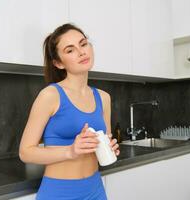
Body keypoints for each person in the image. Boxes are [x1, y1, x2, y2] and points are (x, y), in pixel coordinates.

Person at [19, 23, 120, 200]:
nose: (82, 52)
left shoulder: (103, 97)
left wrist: (110, 148)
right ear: (58, 63)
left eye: (83, 44)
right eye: (70, 50)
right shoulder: (50, 95)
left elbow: (103, 141)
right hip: (59, 193)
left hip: (95, 191)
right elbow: (25, 152)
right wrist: (70, 151)